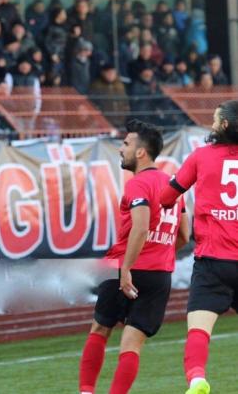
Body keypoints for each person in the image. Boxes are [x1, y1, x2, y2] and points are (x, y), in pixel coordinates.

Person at [79, 120, 190, 394]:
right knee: (132, 346)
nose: (121, 149)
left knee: (100, 331)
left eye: (126, 144)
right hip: (159, 276)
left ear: (141, 152)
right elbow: (186, 235)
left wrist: (127, 267)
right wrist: (160, 253)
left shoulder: (137, 185)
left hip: (124, 269)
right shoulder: (173, 185)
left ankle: (86, 391)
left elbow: (141, 227)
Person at [160, 100, 238, 394]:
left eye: (216, 119)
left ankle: (197, 379)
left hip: (213, 261)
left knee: (198, 330)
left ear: (225, 125)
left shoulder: (201, 157)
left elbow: (168, 197)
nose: (212, 124)